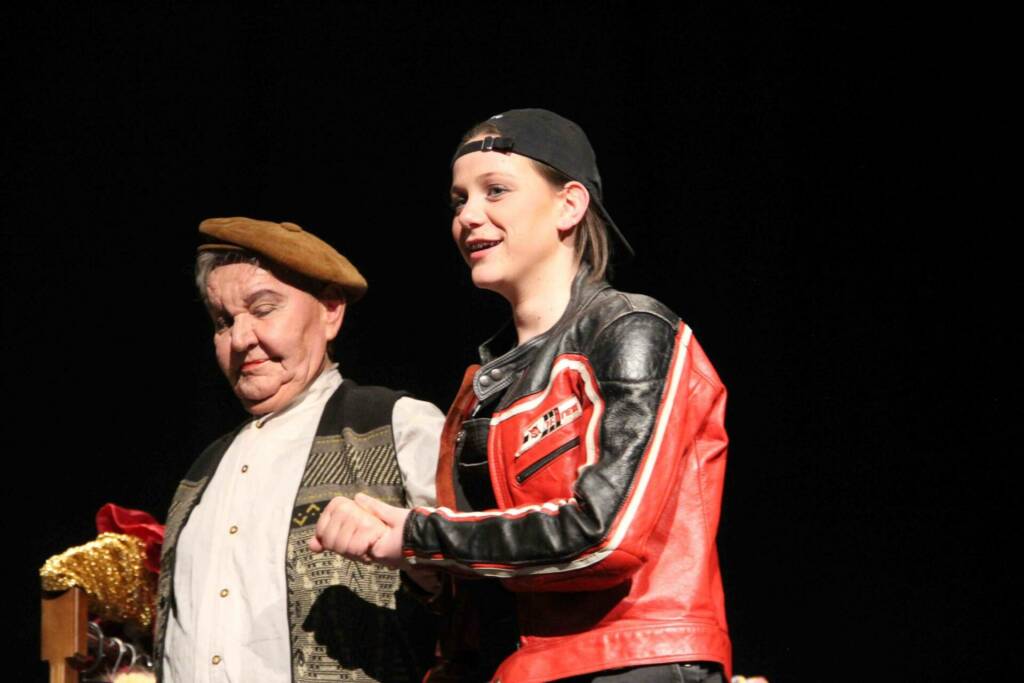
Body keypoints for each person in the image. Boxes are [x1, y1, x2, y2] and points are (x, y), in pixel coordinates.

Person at [312, 109, 733, 682]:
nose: (468, 216)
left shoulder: (631, 330)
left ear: (569, 205)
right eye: (459, 199)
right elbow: (482, 574)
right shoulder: (484, 387)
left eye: (496, 191)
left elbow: (604, 538)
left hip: (630, 660)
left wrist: (416, 535)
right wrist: (402, 551)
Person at [155, 216, 445, 683]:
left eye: (263, 308)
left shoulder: (395, 425)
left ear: (330, 311)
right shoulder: (202, 473)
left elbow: (483, 593)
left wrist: (415, 556)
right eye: (223, 322)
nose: (241, 339)